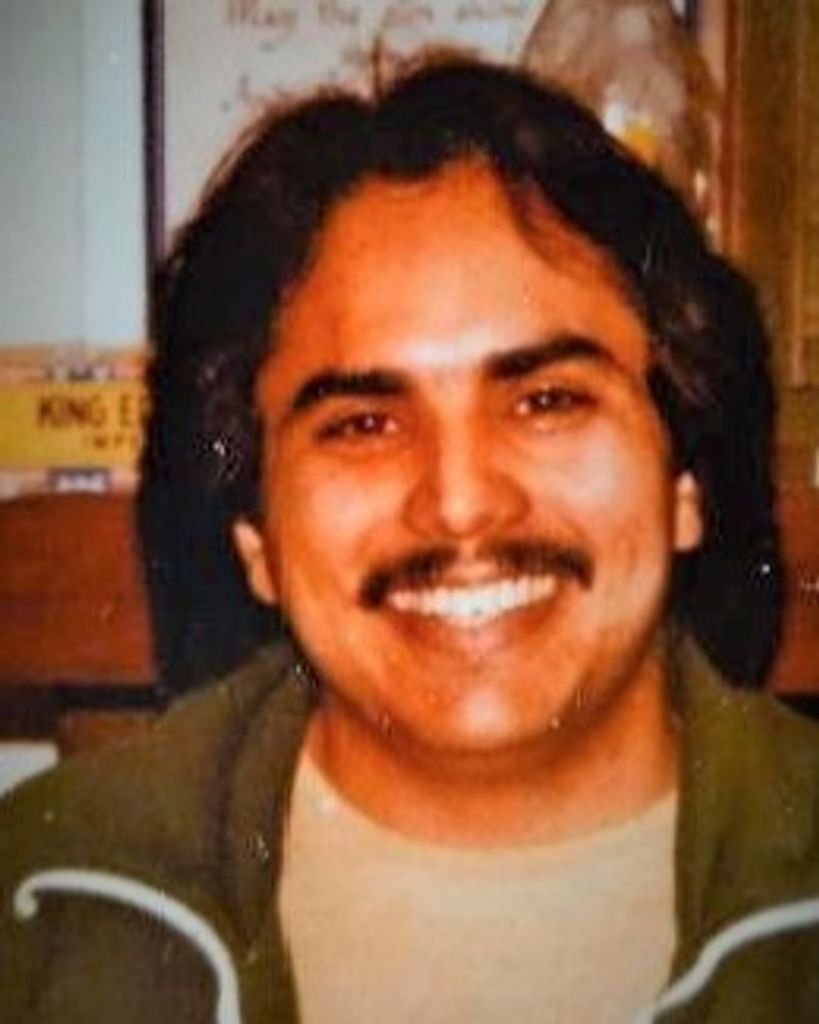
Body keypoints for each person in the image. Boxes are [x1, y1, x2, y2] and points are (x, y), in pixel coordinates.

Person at [2, 54, 818, 1024]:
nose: (462, 503)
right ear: (255, 537)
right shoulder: (38, 908)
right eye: (362, 424)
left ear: (686, 481)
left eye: (547, 401)